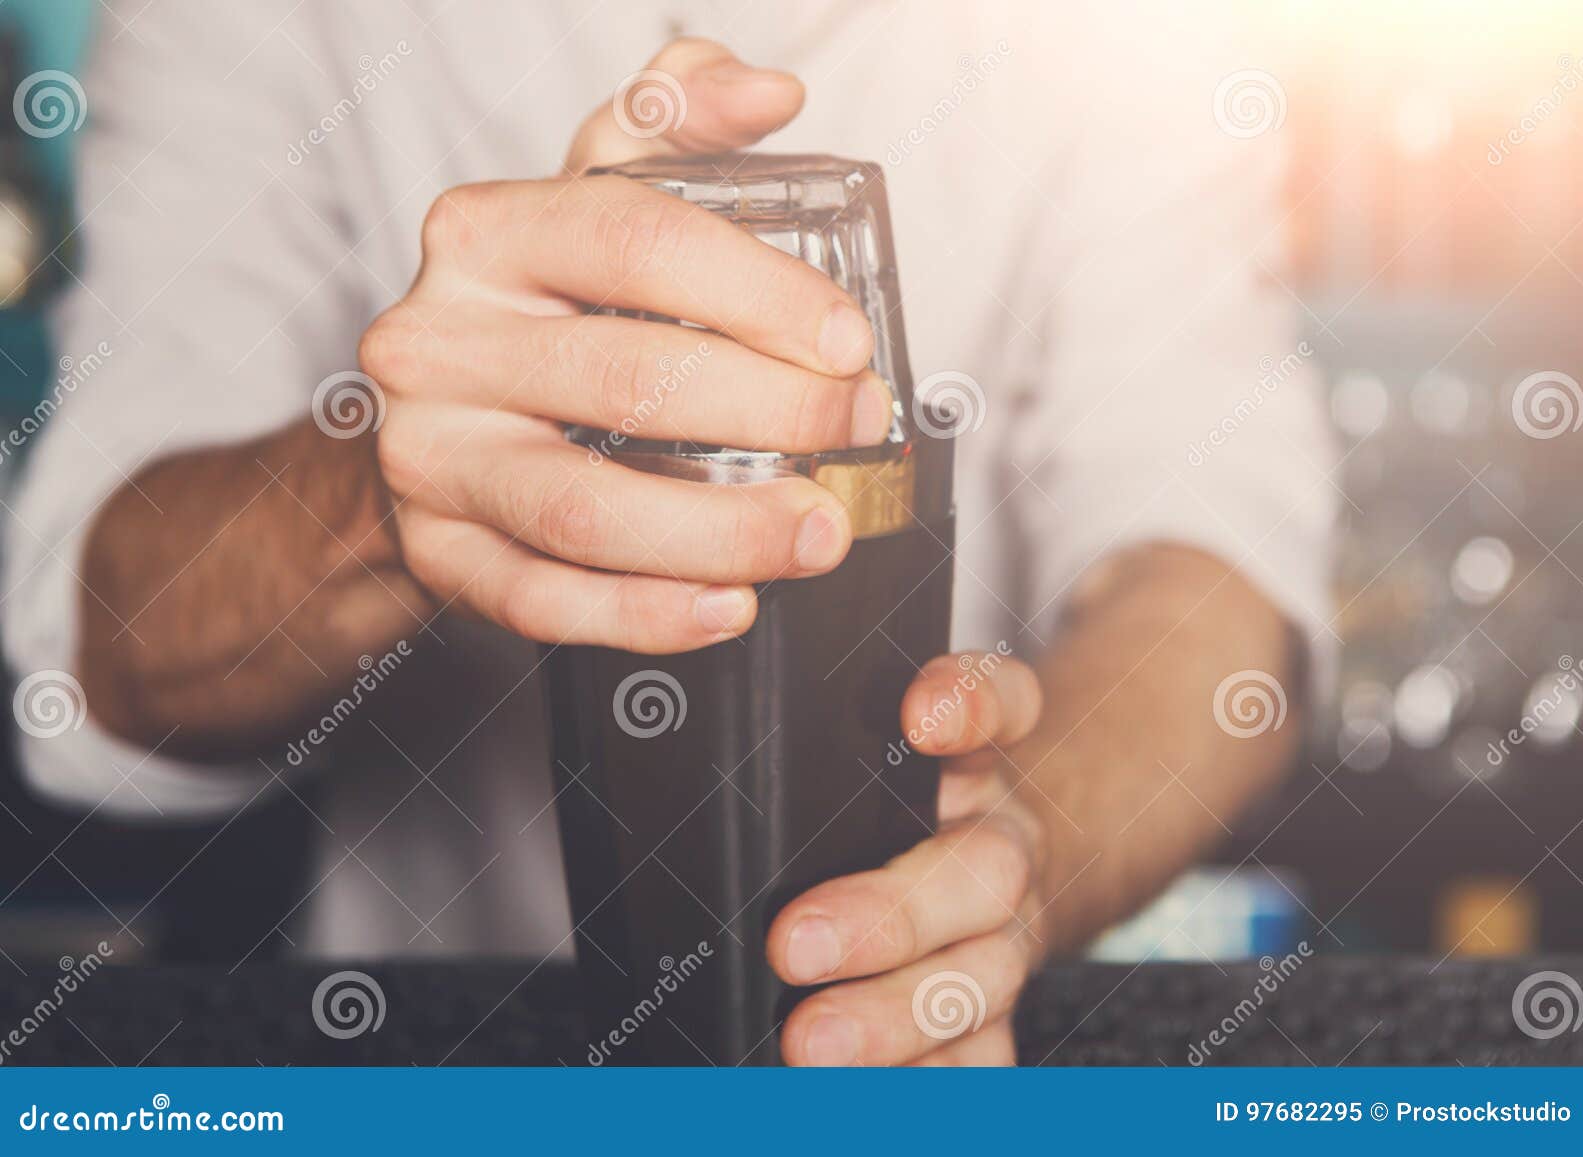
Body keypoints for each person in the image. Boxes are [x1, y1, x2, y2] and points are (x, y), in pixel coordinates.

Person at [3, 2, 1335, 1066]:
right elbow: (102, 646)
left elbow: (1209, 566)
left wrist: (1017, 853)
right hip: (440, 1049)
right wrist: (381, 485)